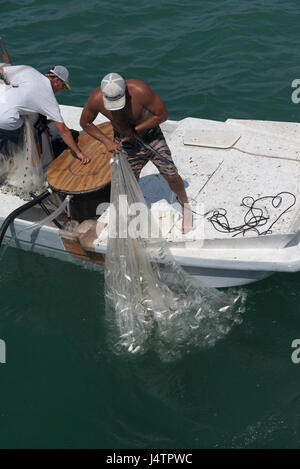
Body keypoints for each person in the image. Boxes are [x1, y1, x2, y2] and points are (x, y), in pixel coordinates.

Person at [80, 73, 192, 233]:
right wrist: (107, 142)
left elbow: (162, 114)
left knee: (171, 175)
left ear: (126, 91)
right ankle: (135, 214)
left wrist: (137, 130)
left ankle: (185, 206)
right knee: (127, 182)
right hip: (124, 143)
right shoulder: (96, 99)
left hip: (151, 136)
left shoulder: (140, 91)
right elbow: (85, 122)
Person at [0, 64, 89, 164]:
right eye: (63, 86)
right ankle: (34, 165)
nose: (62, 89)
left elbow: (1, 70)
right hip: (6, 121)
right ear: (57, 81)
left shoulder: (29, 71)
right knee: (33, 138)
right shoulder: (49, 98)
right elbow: (63, 130)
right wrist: (78, 152)